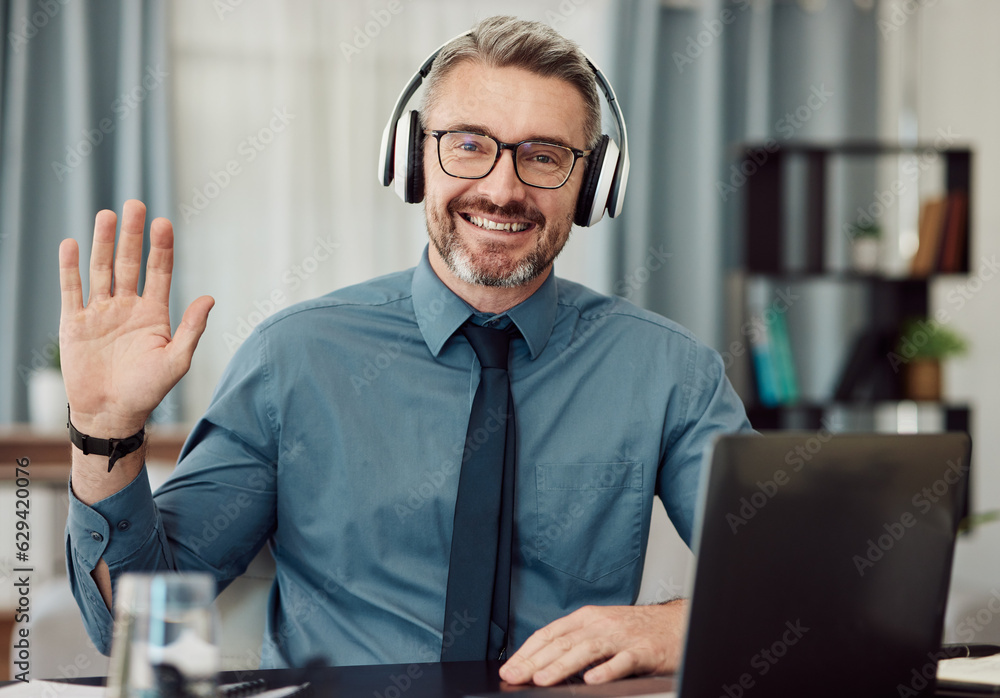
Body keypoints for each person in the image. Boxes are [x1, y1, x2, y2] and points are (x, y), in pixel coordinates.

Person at [61, 16, 751, 686]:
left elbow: (803, 582)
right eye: (470, 145)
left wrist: (671, 628)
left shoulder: (669, 372)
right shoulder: (294, 359)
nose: (503, 189)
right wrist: (104, 432)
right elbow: (131, 618)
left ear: (595, 183)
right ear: (414, 156)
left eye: (544, 156)